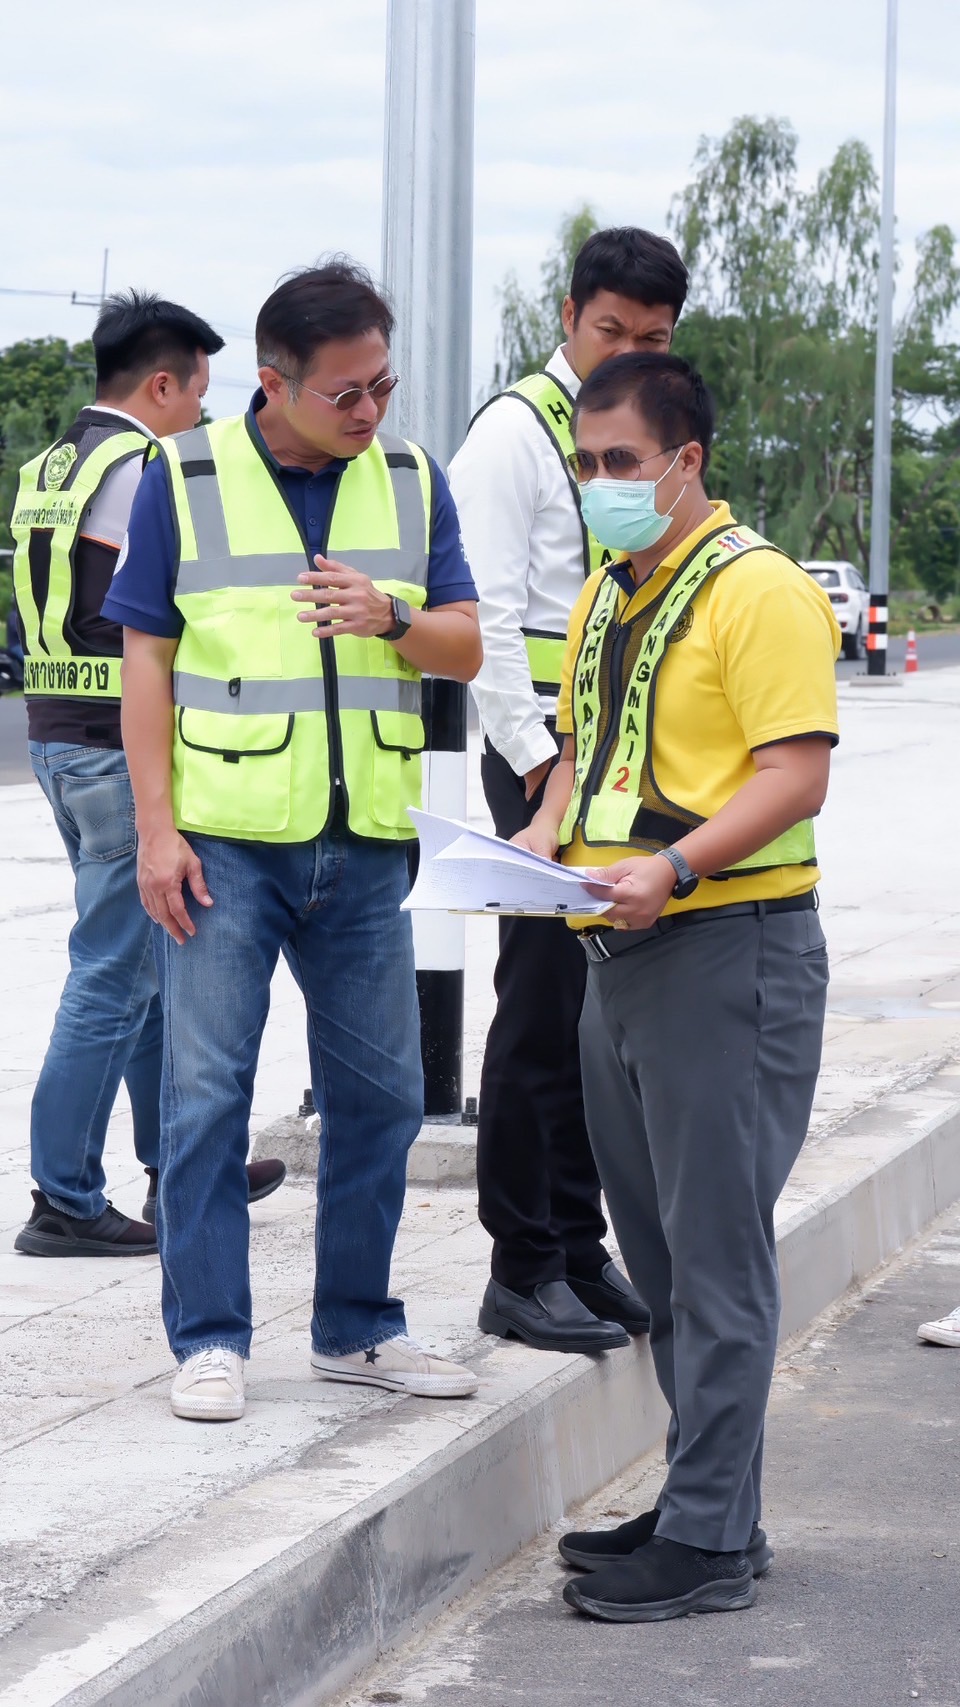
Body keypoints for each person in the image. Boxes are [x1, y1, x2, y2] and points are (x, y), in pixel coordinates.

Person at [104, 260, 483, 1421]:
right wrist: (155, 831)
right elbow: (147, 662)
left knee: (384, 1097)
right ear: (273, 383)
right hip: (225, 843)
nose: (371, 410)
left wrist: (394, 615)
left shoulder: (411, 481)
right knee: (206, 1097)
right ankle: (211, 1339)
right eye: (345, 393)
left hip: (364, 844)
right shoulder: (183, 477)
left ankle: (358, 1328)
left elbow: (467, 644)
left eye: (383, 386)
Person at [512, 352, 840, 1621]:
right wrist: (540, 834)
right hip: (616, 952)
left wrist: (675, 866)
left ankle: (705, 1539)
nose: (601, 483)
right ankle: (713, 1510)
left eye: (622, 463)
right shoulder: (610, 588)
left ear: (686, 460)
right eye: (586, 464)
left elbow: (795, 775)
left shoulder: (758, 589)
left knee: (716, 1261)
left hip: (725, 950)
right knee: (658, 1259)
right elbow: (583, 751)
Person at [449, 229, 688, 1354]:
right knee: (539, 1008)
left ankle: (580, 1248)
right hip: (539, 763)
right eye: (610, 330)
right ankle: (522, 1263)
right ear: (568, 316)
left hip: (612, 767)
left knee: (600, 1022)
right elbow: (485, 616)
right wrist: (541, 765)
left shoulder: (643, 432)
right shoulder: (516, 432)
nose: (628, 351)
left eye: (653, 338)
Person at [10, 292, 284, 1258]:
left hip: (56, 735)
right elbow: (176, 606)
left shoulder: (53, 464)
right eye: (199, 396)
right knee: (115, 974)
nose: (202, 416)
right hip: (116, 749)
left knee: (150, 965)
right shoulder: (142, 468)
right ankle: (65, 1194)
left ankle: (183, 1162)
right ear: (162, 385)